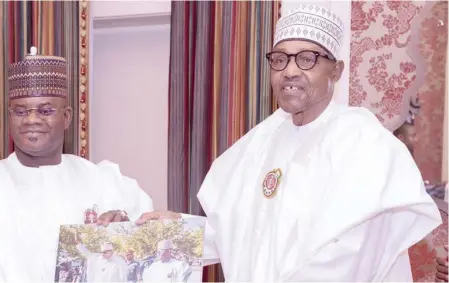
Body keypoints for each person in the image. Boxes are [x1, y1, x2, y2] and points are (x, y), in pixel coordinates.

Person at [137, 4, 442, 281]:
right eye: (280, 60)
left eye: (307, 59)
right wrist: (175, 231)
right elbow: (232, 236)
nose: (290, 71)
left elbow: (347, 257)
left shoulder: (363, 142)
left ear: (335, 70)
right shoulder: (257, 144)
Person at [0, 47, 153, 281]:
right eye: (20, 111)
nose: (31, 120)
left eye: (45, 110)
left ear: (67, 116)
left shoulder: (109, 184)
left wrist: (126, 229)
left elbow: (153, 255)